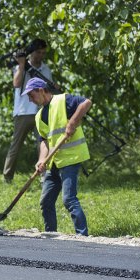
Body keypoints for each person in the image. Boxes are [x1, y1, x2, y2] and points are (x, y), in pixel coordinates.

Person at [22, 77, 91, 236]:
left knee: (69, 199)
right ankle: (50, 234)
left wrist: (72, 122)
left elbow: (86, 102)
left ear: (41, 90)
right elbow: (44, 141)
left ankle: (82, 235)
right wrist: (41, 160)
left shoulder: (63, 100)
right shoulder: (39, 116)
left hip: (70, 159)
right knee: (46, 202)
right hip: (53, 162)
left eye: (31, 95)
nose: (30, 100)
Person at [3, 39, 59, 183]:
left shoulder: (45, 69)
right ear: (32, 52)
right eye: (38, 52)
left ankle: (43, 175)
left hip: (41, 111)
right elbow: (16, 84)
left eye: (43, 53)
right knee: (15, 145)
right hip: (23, 111)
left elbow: (48, 91)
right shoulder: (21, 66)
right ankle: (7, 177)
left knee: (43, 143)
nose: (40, 55)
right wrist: (22, 64)